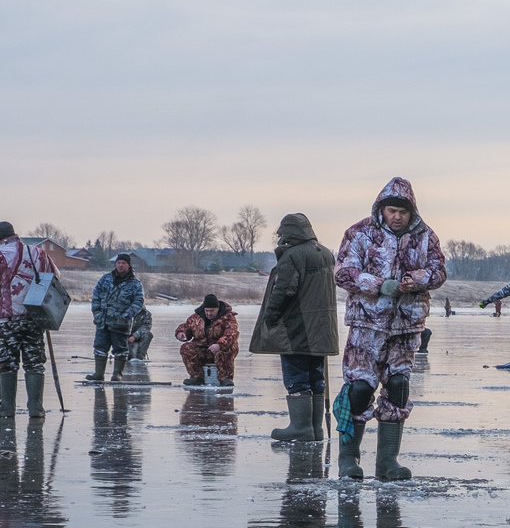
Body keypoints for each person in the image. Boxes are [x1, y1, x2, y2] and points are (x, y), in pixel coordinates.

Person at [332, 177, 447, 481]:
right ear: (382, 209)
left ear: (412, 213)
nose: (397, 216)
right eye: (392, 211)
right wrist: (380, 285)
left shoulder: (425, 236)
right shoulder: (359, 233)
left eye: (403, 212)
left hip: (406, 326)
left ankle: (387, 462)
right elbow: (343, 273)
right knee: (359, 389)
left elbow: (439, 272)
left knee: (397, 386)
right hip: (366, 324)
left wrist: (417, 279)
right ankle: (348, 460)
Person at [250, 213, 339, 442]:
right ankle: (314, 428)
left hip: (298, 327)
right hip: (322, 328)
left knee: (297, 376)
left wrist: (271, 316)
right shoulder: (326, 253)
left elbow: (284, 290)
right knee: (315, 376)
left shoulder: (293, 256)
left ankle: (301, 428)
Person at [0, 221, 58, 419]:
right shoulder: (39, 253)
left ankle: (7, 407)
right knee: (35, 362)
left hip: (9, 317)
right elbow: (55, 277)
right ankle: (36, 407)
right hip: (35, 316)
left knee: (8, 362)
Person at [88, 253, 145, 381]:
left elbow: (138, 302)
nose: (120, 265)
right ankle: (98, 374)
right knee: (100, 347)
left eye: (123, 263)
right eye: (118, 262)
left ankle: (117, 374)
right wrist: (96, 311)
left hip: (121, 323)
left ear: (129, 265)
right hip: (103, 321)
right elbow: (96, 295)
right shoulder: (105, 279)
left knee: (120, 349)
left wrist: (126, 315)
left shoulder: (135, 284)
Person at [177, 294, 239, 386]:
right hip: (202, 349)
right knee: (186, 347)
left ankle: (225, 378)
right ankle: (197, 377)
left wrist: (219, 345)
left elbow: (232, 333)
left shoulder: (228, 317)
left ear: (218, 308)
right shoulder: (195, 317)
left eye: (212, 311)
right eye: (207, 311)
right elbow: (186, 327)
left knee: (227, 348)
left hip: (221, 348)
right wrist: (181, 333)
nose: (209, 313)